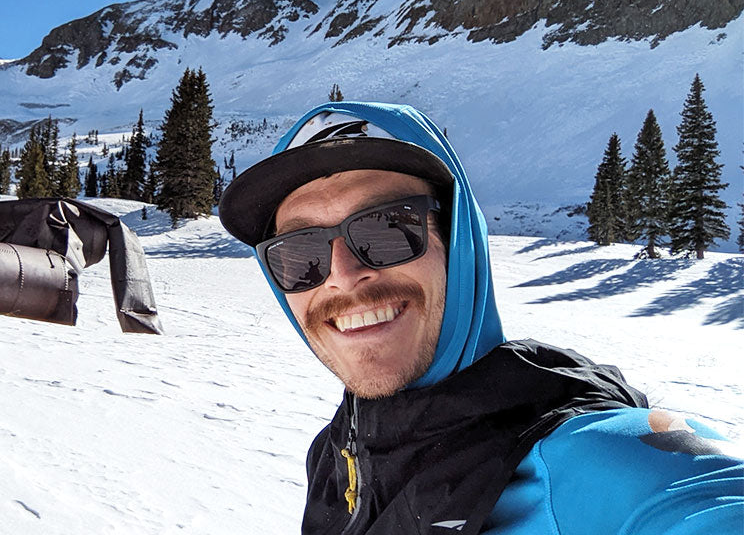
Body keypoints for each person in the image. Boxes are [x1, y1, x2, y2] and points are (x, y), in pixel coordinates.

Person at [217, 102, 742, 534]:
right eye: (298, 254)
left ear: (460, 242)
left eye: (387, 229)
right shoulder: (335, 457)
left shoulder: (600, 459)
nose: (341, 276)